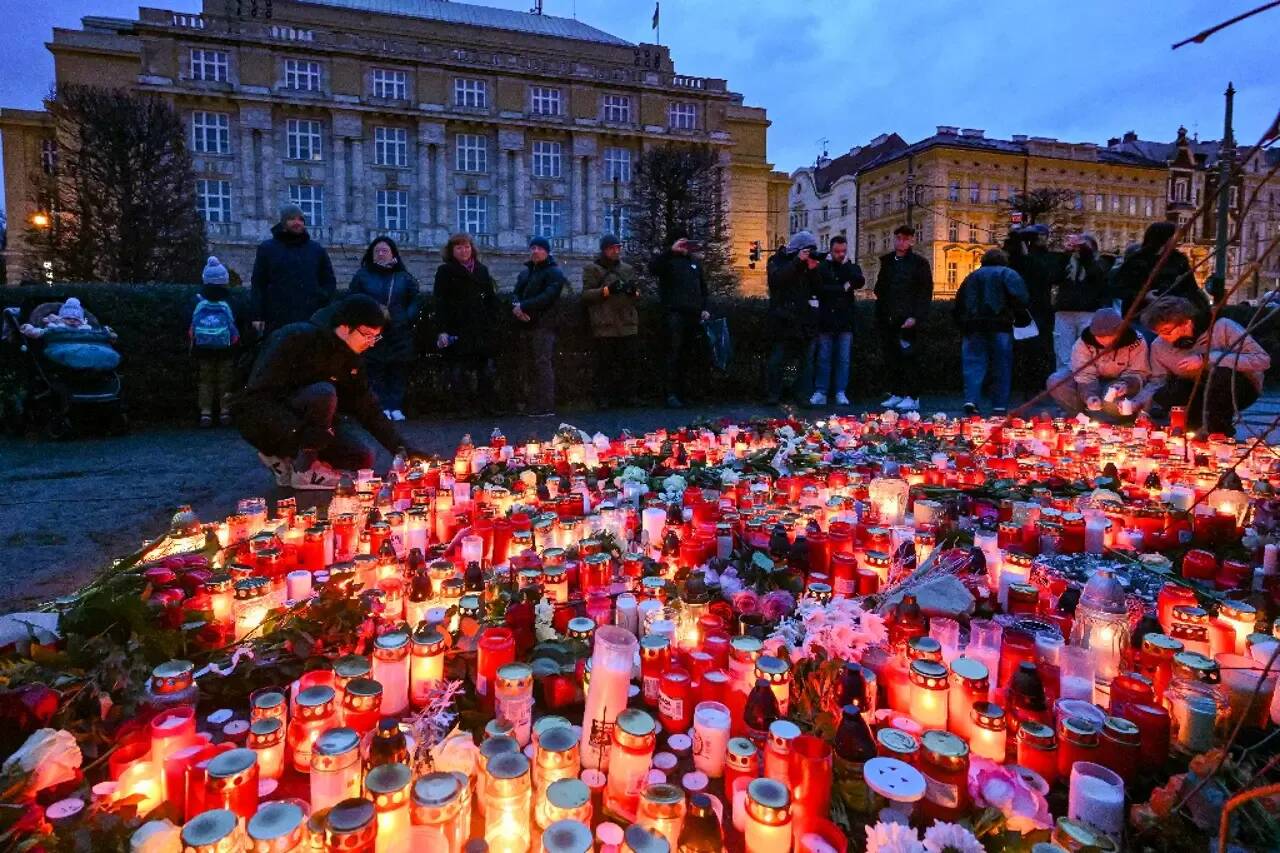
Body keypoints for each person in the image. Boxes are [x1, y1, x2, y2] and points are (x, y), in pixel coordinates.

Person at [232, 294, 415, 490]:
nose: (371, 343)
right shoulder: (297, 339)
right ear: (345, 328)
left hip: (310, 428)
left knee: (362, 457)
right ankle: (303, 470)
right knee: (323, 393)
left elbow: (367, 408)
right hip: (267, 421)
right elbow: (256, 399)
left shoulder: (352, 358)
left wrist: (403, 449)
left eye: (375, 337)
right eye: (367, 334)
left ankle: (288, 464)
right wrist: (299, 435)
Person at [1135, 296, 1270, 436]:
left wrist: (1207, 359)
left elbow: (1262, 360)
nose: (1162, 337)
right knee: (1173, 390)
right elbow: (1157, 381)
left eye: (1167, 331)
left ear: (1186, 323)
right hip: (1195, 389)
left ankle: (1218, 433)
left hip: (1237, 386)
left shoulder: (1223, 327)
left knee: (1220, 375)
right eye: (1158, 332)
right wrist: (1138, 403)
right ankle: (1188, 431)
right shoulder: (1159, 346)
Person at [348, 236, 421, 421]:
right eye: (377, 251)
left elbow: (415, 300)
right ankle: (380, 406)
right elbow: (352, 300)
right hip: (371, 330)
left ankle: (395, 406)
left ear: (392, 254)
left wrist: (406, 317)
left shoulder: (403, 276)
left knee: (398, 368)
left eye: (385, 250)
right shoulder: (362, 275)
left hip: (398, 329)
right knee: (375, 369)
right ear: (372, 254)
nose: (381, 254)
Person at [951, 248, 1030, 416]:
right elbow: (1021, 299)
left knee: (973, 365)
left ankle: (971, 399)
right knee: (1001, 365)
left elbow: (959, 303)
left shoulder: (972, 276)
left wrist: (962, 324)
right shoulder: (1008, 274)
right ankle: (999, 405)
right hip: (1000, 325)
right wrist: (1020, 318)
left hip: (973, 326)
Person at [433, 233, 501, 415]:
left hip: (481, 327)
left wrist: (493, 322)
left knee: (486, 369)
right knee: (458, 370)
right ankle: (462, 408)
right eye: (459, 247)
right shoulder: (445, 271)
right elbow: (439, 302)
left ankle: (487, 406)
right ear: (452, 251)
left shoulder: (481, 270)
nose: (464, 251)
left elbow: (491, 299)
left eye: (467, 247)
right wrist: (442, 330)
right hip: (457, 326)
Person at [249, 204, 337, 336]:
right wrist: (257, 315)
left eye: (300, 219)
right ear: (283, 222)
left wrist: (321, 296)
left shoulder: (316, 250)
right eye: (292, 219)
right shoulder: (267, 248)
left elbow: (329, 281)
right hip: (277, 317)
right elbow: (258, 284)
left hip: (310, 315)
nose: (297, 222)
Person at [1046, 307, 1149, 419]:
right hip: (1090, 381)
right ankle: (1080, 417)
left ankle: (1112, 418)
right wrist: (1090, 396)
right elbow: (1084, 375)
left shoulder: (1136, 341)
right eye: (1100, 338)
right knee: (1056, 381)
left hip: (1119, 383)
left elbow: (1138, 372)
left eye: (1110, 338)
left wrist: (1126, 385)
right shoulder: (1083, 343)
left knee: (1111, 401)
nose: (1105, 343)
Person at [873, 224, 933, 410]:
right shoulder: (888, 261)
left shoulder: (919, 263)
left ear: (912, 240)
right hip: (889, 317)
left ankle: (912, 395)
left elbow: (924, 293)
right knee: (892, 358)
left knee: (910, 358)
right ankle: (897, 393)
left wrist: (915, 316)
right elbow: (880, 288)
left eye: (906, 238)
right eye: (899, 238)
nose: (902, 242)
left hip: (908, 318)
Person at [581, 234, 641, 409]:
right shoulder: (592, 269)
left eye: (618, 248)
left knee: (629, 363)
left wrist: (633, 292)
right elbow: (586, 295)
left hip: (627, 323)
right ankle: (603, 398)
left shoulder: (627, 269)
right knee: (604, 364)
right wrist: (607, 290)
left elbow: (638, 296)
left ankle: (628, 397)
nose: (616, 251)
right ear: (604, 250)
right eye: (612, 248)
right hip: (605, 324)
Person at [651, 235, 710, 408]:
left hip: (693, 315)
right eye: (681, 243)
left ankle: (686, 392)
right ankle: (670, 393)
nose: (685, 247)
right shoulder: (668, 261)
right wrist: (670, 251)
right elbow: (653, 268)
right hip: (674, 313)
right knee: (673, 354)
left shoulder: (694, 263)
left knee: (688, 355)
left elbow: (703, 288)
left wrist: (705, 308)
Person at [512, 236, 567, 417]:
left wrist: (523, 306)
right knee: (529, 365)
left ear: (547, 251)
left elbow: (548, 297)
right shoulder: (526, 272)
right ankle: (530, 402)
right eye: (533, 248)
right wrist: (516, 308)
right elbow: (516, 293)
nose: (535, 251)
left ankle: (545, 405)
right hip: (526, 324)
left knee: (543, 364)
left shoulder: (554, 272)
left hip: (545, 325)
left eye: (539, 248)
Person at [765, 231, 821, 405]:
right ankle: (773, 394)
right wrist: (797, 261)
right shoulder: (777, 260)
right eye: (807, 250)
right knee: (777, 359)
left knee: (806, 361)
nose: (810, 253)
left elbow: (818, 288)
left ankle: (802, 395)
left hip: (804, 319)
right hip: (783, 318)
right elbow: (777, 281)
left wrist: (813, 270)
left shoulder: (809, 265)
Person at [810, 234, 865, 406]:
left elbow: (859, 280)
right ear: (831, 250)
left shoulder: (850, 267)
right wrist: (843, 287)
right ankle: (821, 391)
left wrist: (846, 272)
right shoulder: (823, 267)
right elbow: (820, 288)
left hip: (844, 320)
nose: (840, 254)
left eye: (843, 251)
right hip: (826, 319)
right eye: (837, 251)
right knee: (824, 357)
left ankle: (840, 391)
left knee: (843, 359)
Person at [1006, 224, 1062, 392]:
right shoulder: (1045, 259)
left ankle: (1029, 384)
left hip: (1027, 308)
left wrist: (1017, 238)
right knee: (1039, 348)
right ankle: (1037, 383)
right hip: (1039, 308)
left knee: (1028, 348)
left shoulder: (1025, 259)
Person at [1109, 221, 1207, 316]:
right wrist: (1143, 296)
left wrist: (1177, 299)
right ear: (1164, 238)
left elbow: (1191, 288)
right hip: (1139, 314)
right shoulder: (1137, 259)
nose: (1177, 240)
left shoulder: (1179, 260)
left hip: (1171, 314)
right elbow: (1118, 288)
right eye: (1174, 236)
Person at [190, 257, 240, 428]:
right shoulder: (230, 299)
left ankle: (206, 413)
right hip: (226, 347)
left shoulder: (198, 298)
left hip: (202, 347)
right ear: (224, 280)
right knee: (225, 379)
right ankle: (225, 411)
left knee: (205, 380)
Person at [1051, 234, 1107, 371]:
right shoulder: (1067, 262)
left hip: (1088, 311)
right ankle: (1063, 384)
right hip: (1064, 311)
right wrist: (1065, 255)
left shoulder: (1099, 262)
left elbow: (1096, 277)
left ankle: (1085, 383)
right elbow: (1054, 277)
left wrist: (1086, 255)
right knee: (1063, 353)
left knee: (1087, 352)